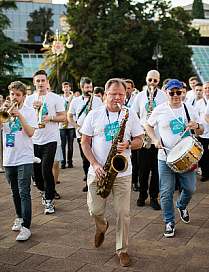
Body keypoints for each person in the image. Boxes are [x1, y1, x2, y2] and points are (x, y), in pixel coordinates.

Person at [80, 78, 143, 267]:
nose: (117, 98)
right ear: (105, 94)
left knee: (123, 213)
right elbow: (84, 142)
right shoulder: (94, 114)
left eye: (121, 94)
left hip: (122, 173)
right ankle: (102, 227)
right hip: (98, 171)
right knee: (95, 210)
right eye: (113, 94)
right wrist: (95, 164)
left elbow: (140, 140)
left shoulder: (130, 114)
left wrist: (130, 144)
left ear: (126, 95)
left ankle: (122, 249)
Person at [145, 79, 203, 237]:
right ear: (166, 93)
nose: (176, 95)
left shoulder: (189, 109)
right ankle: (169, 222)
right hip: (165, 158)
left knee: (190, 189)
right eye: (172, 92)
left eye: (179, 92)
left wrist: (197, 127)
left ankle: (182, 205)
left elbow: (202, 130)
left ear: (182, 92)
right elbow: (148, 126)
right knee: (166, 191)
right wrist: (155, 140)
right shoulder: (159, 110)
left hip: (186, 157)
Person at [0, 81, 38, 241]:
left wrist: (20, 116)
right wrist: (2, 114)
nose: (14, 97)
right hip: (9, 157)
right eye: (12, 94)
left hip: (25, 157)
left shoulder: (29, 112)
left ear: (24, 96)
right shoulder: (5, 111)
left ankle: (26, 227)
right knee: (14, 192)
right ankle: (19, 217)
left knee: (24, 192)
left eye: (18, 95)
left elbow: (31, 132)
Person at [24, 70, 65, 214]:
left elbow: (63, 117)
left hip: (50, 139)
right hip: (34, 139)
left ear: (47, 82)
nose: (40, 83)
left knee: (46, 169)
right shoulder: (29, 100)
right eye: (38, 81)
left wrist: (51, 118)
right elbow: (24, 118)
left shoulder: (55, 98)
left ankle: (49, 200)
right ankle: (43, 191)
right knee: (35, 173)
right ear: (34, 83)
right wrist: (31, 109)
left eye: (43, 80)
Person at [132, 70, 168, 210]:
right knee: (143, 169)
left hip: (157, 138)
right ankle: (142, 195)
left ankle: (154, 197)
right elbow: (134, 114)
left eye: (155, 81)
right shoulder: (140, 96)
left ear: (159, 81)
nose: (152, 83)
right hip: (143, 138)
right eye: (150, 80)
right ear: (146, 79)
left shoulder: (164, 96)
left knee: (156, 170)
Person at [68, 77, 103, 192]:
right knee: (85, 159)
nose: (89, 89)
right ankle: (88, 180)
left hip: (95, 134)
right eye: (87, 87)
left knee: (97, 156)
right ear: (82, 87)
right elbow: (69, 116)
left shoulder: (97, 100)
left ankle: (99, 179)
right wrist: (77, 127)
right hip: (82, 133)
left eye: (91, 87)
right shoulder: (76, 100)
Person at [195, 82, 209, 182]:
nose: (207, 90)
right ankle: (205, 174)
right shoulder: (199, 103)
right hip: (204, 133)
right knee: (204, 155)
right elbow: (196, 117)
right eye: (205, 88)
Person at [124, 79, 138, 191]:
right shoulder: (120, 99)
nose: (127, 90)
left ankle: (134, 181)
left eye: (129, 88)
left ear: (132, 89)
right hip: (122, 131)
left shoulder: (135, 99)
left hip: (133, 131)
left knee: (135, 159)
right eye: (125, 88)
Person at [59, 82, 75, 169]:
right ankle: (62, 162)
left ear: (70, 88)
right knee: (62, 145)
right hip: (62, 125)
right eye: (64, 87)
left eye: (67, 87)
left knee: (70, 145)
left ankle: (70, 161)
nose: (66, 88)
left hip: (71, 125)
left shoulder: (73, 98)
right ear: (62, 89)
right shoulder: (60, 98)